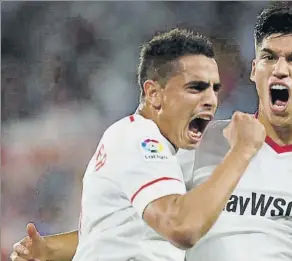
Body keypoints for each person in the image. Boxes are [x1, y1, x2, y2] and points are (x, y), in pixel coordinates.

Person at [11, 2, 292, 261]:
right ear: (254, 70)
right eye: (269, 57)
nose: (280, 69)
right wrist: (51, 250)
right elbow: (133, 231)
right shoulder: (196, 148)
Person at [9, 28, 266, 261]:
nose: (211, 99)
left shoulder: (150, 146)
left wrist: (50, 249)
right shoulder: (141, 140)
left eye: (214, 88)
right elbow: (181, 227)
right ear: (154, 93)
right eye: (196, 88)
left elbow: (119, 232)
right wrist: (242, 151)